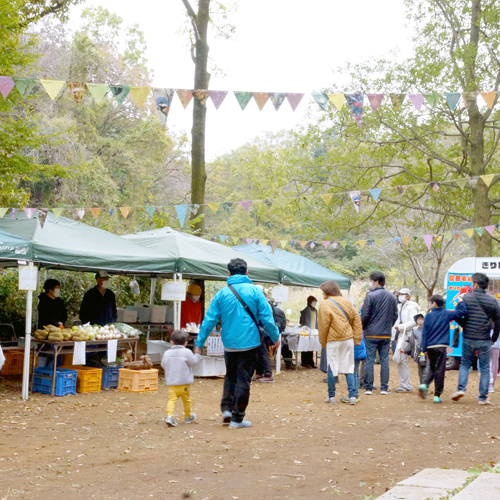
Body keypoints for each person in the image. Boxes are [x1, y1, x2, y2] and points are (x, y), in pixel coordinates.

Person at [195, 258, 279, 428]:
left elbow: (209, 321)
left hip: (229, 344)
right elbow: (267, 319)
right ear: (247, 272)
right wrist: (275, 337)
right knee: (243, 379)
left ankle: (226, 409)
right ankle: (237, 418)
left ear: (228, 273)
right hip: (250, 343)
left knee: (230, 376)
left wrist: (199, 343)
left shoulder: (221, 294)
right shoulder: (256, 292)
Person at [452, 272, 500, 405]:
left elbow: (457, 315)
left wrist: (464, 325)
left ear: (476, 284)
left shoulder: (466, 298)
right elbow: (498, 322)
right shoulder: (493, 301)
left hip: (468, 337)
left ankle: (461, 388)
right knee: (484, 368)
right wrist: (494, 338)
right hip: (485, 339)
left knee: (465, 364)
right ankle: (483, 397)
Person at [318, 280, 362, 405]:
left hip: (333, 340)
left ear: (327, 291)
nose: (322, 294)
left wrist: (323, 342)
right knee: (349, 367)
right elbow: (357, 321)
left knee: (332, 366)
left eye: (323, 292)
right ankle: (352, 396)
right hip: (348, 339)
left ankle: (332, 397)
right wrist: (357, 338)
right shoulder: (347, 302)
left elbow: (323, 326)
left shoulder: (325, 304)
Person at [419, 295, 467, 403]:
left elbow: (424, 333)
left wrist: (424, 348)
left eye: (430, 303)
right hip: (441, 347)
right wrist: (460, 301)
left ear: (434, 303)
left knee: (432, 367)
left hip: (430, 347)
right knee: (440, 369)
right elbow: (462, 311)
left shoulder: (428, 316)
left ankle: (424, 384)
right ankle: (437, 396)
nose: (430, 305)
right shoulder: (447, 314)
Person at [361, 271, 398, 395]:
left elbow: (365, 315)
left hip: (370, 333)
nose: (370, 283)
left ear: (376, 281)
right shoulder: (392, 297)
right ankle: (384, 387)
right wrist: (388, 326)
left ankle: (368, 388)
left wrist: (363, 327)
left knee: (369, 360)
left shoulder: (370, 296)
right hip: (386, 334)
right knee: (384, 361)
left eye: (371, 281)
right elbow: (395, 315)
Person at [161, 330, 201, 427]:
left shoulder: (167, 353)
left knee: (172, 400)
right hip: (184, 383)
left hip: (172, 383)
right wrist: (197, 355)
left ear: (171, 342)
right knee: (186, 399)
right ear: (186, 343)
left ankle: (170, 416)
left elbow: (163, 364)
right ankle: (188, 416)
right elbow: (193, 363)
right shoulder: (187, 352)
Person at [253, 286, 286, 383]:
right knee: (259, 352)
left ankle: (268, 375)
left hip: (263, 331)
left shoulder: (264, 302)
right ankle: (259, 373)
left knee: (263, 353)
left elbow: (268, 319)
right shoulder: (265, 300)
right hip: (263, 331)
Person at [393, 288, 420, 393]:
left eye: (402, 294)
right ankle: (405, 384)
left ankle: (406, 385)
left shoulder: (412, 307)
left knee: (400, 359)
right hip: (401, 335)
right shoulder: (400, 306)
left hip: (407, 336)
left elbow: (414, 321)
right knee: (400, 360)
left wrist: (402, 326)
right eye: (399, 294)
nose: (400, 296)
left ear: (408, 296)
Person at [404, 313, 427, 384]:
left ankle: (426, 384)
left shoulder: (428, 329)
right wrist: (405, 350)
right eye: (418, 319)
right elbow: (411, 342)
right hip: (419, 354)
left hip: (428, 353)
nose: (420, 321)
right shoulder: (415, 331)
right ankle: (422, 385)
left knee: (427, 370)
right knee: (421, 369)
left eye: (422, 319)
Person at [299, 296, 319, 368]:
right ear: (310, 302)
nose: (315, 304)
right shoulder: (306, 310)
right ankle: (304, 362)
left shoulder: (315, 310)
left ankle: (311, 362)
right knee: (305, 346)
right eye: (314, 302)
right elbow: (305, 321)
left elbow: (316, 321)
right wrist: (309, 331)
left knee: (311, 346)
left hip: (313, 330)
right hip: (306, 330)